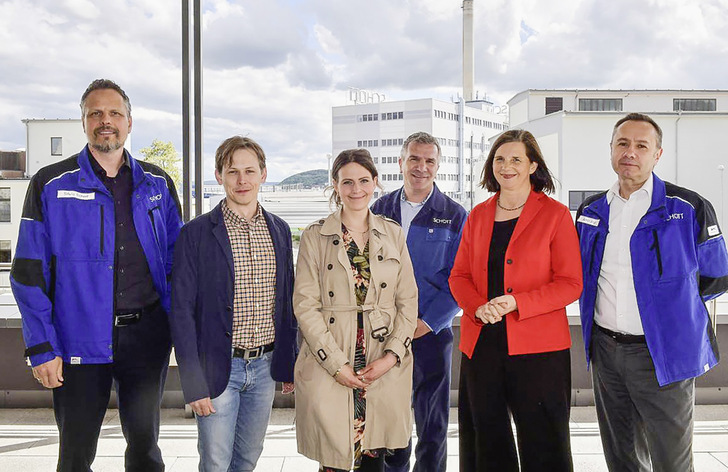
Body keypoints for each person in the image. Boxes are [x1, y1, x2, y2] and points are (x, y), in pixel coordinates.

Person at [10, 78, 182, 472]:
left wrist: (178, 330)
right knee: (75, 452)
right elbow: (27, 272)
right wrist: (41, 346)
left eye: (115, 113)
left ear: (130, 122)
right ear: (84, 122)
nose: (106, 121)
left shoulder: (157, 183)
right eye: (96, 114)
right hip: (77, 339)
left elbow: (177, 263)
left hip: (146, 338)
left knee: (145, 448)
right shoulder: (50, 184)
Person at [576, 113, 728, 472]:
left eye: (641, 145)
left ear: (658, 154)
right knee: (622, 458)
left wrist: (671, 314)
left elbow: (718, 276)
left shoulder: (688, 207)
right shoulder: (591, 211)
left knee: (671, 461)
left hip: (664, 355)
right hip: (606, 353)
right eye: (623, 143)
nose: (631, 152)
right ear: (611, 150)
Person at [449, 129, 582, 472]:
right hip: (482, 344)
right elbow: (459, 276)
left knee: (544, 442)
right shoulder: (477, 215)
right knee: (485, 440)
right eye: (499, 159)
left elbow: (570, 284)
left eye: (516, 159)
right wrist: (477, 307)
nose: (506, 166)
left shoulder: (555, 214)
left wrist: (517, 302)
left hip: (539, 348)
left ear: (533, 165)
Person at [170, 136, 298, 472]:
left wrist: (287, 363)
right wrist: (193, 383)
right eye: (233, 172)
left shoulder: (280, 231)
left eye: (250, 171)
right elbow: (181, 311)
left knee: (247, 458)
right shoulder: (195, 234)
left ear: (263, 174)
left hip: (265, 366)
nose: (242, 180)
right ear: (219, 176)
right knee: (215, 461)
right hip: (217, 367)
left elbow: (286, 302)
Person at [293, 148, 418, 471]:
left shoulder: (393, 234)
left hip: (382, 360)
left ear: (375, 182)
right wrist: (337, 365)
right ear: (335, 185)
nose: (356, 189)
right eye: (347, 182)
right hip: (332, 359)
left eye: (364, 180)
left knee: (375, 456)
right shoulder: (314, 237)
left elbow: (408, 302)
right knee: (334, 458)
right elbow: (305, 306)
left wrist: (390, 358)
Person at [370, 131, 466, 472]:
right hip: (384, 333)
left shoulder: (454, 215)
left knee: (432, 423)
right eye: (414, 158)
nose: (421, 167)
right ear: (400, 162)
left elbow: (461, 278)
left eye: (429, 161)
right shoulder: (378, 209)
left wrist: (427, 322)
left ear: (438, 167)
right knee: (390, 421)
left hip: (430, 333)